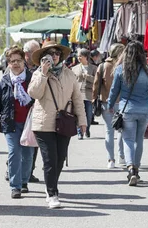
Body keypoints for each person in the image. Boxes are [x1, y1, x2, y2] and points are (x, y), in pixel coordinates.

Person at [28, 40, 87, 209]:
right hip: (43, 122)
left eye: (56, 53)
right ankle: (52, 192)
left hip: (64, 121)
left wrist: (82, 121)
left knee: (60, 158)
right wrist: (44, 74)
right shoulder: (38, 73)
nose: (54, 56)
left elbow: (77, 99)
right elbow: (34, 93)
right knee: (50, 159)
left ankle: (50, 184)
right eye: (50, 54)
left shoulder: (69, 74)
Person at [107, 41, 148, 186]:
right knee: (139, 140)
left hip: (127, 109)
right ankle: (136, 168)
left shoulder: (120, 70)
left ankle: (130, 169)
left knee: (128, 140)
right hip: (144, 110)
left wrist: (110, 104)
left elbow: (114, 90)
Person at [0, 47, 34, 199]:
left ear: (24, 61)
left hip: (29, 124)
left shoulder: (32, 78)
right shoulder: (4, 81)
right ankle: (15, 186)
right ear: (8, 63)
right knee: (14, 153)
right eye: (12, 61)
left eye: (18, 60)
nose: (15, 64)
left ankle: (24, 180)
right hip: (10, 123)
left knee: (28, 155)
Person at [94, 43, 126, 169]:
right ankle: (122, 156)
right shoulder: (124, 66)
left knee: (109, 131)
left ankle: (110, 159)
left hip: (106, 102)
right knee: (122, 130)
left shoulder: (102, 66)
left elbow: (96, 85)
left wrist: (93, 100)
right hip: (122, 102)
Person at [22, 39, 41, 183]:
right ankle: (12, 169)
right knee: (17, 144)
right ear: (27, 54)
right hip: (20, 112)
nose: (37, 55)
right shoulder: (18, 66)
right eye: (35, 52)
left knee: (33, 144)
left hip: (35, 111)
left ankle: (29, 171)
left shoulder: (40, 67)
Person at [72, 49, 97, 139]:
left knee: (89, 114)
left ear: (86, 57)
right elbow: (72, 81)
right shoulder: (74, 68)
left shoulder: (94, 68)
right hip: (77, 93)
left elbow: (96, 81)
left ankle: (87, 129)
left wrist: (87, 76)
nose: (78, 58)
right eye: (78, 56)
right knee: (78, 113)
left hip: (88, 94)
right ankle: (80, 132)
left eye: (80, 56)